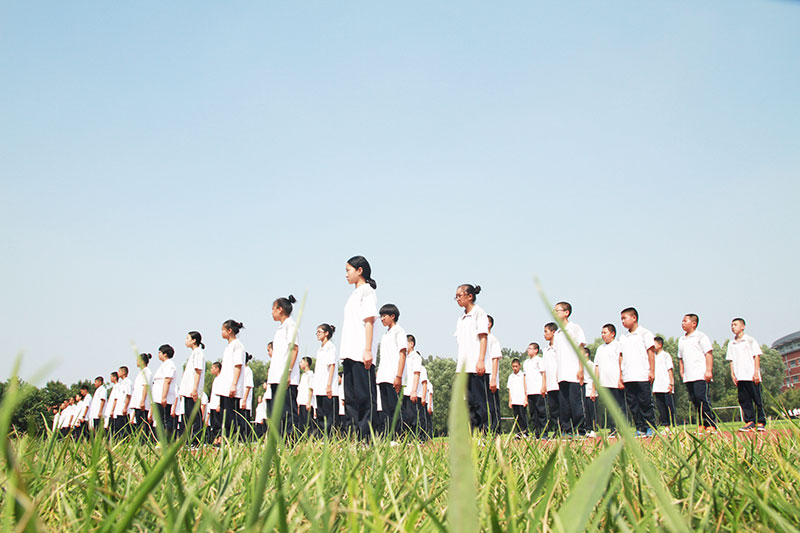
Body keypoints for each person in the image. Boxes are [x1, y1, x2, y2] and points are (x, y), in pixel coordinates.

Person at [340, 256, 379, 440]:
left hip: (360, 352)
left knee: (365, 397)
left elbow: (369, 321)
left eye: (349, 270)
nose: (346, 274)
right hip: (348, 353)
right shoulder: (353, 295)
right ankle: (353, 438)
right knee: (350, 398)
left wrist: (368, 349)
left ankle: (366, 438)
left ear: (360, 270)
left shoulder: (367, 292)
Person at [454, 284, 490, 432]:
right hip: (464, 366)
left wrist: (481, 360)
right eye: (455, 297)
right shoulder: (461, 318)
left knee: (480, 402)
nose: (457, 299)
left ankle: (485, 432)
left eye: (459, 295)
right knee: (468, 402)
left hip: (476, 364)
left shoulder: (479, 313)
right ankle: (472, 433)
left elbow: (483, 337)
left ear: (469, 296)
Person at [619, 307, 657, 437]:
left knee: (645, 402)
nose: (622, 321)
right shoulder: (623, 337)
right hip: (628, 376)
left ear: (634, 318)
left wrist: (652, 371)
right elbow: (621, 356)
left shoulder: (645, 333)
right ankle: (639, 427)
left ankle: (650, 427)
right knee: (633, 404)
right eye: (621, 319)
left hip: (642, 374)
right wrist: (620, 375)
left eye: (625, 318)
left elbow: (651, 353)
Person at [267, 295, 301, 437]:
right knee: (277, 411)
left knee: (288, 411)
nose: (272, 312)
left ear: (280, 309)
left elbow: (294, 349)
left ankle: (291, 440)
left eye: (273, 309)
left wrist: (288, 372)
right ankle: (279, 439)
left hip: (286, 377)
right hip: (276, 377)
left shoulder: (291, 326)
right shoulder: (280, 328)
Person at [678, 314, 717, 434]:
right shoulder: (681, 339)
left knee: (702, 398)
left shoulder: (701, 337)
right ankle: (701, 423)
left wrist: (709, 370)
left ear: (694, 323)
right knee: (695, 400)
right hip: (689, 376)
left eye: (685, 321)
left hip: (700, 374)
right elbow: (680, 357)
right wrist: (682, 372)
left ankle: (710, 423)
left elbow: (708, 354)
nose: (682, 323)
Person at [726, 318, 767, 432]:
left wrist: (756, 372)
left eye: (735, 325)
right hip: (740, 376)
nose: (733, 327)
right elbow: (731, 360)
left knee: (757, 399)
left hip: (751, 374)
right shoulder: (731, 344)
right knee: (744, 399)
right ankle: (750, 421)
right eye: (732, 325)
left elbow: (756, 356)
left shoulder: (750, 340)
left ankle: (761, 421)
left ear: (743, 326)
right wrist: (733, 374)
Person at [553, 302, 586, 437]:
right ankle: (567, 430)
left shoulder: (574, 328)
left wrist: (581, 368)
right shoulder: (558, 333)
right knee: (564, 405)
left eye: (557, 310)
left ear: (566, 313)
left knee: (576, 403)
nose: (555, 313)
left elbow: (581, 349)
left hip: (573, 372)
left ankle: (580, 430)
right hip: (562, 373)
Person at [376, 303, 407, 438]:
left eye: (384, 316)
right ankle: (388, 436)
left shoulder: (399, 332)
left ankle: (397, 436)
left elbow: (402, 353)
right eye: (381, 316)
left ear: (392, 316)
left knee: (395, 409)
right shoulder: (386, 334)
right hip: (383, 375)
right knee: (386, 409)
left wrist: (399, 376)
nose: (382, 319)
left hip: (393, 375)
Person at [593, 325, 625, 435]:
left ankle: (622, 428)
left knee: (619, 406)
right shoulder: (600, 349)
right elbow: (596, 366)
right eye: (602, 333)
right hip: (604, 383)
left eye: (605, 333)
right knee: (610, 408)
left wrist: (621, 378)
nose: (602, 335)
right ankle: (613, 429)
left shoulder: (618, 345)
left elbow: (621, 362)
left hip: (616, 382)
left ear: (612, 333)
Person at [219, 319, 246, 439]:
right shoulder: (229, 346)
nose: (221, 332)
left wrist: (234, 384)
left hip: (232, 386)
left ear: (229, 331)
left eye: (223, 330)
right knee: (225, 415)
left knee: (232, 415)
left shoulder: (237, 345)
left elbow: (238, 365)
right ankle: (226, 438)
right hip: (225, 386)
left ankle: (237, 438)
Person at [312, 324, 339, 436]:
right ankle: (322, 439)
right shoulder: (320, 349)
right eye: (317, 332)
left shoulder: (330, 347)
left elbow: (331, 366)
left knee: (330, 417)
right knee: (321, 416)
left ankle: (331, 439)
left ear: (326, 333)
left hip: (329, 388)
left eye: (320, 332)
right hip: (319, 387)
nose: (318, 334)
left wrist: (329, 385)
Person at [179, 331, 205, 446]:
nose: (186, 341)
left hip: (192, 390)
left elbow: (198, 371)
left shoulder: (198, 353)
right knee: (189, 416)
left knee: (195, 416)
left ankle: (196, 440)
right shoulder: (194, 353)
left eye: (187, 338)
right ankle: (189, 440)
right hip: (187, 390)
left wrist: (195, 389)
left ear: (194, 340)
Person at [150, 344, 177, 439]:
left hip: (164, 398)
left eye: (159, 352)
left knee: (164, 420)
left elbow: (167, 381)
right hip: (158, 397)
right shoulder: (164, 365)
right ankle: (160, 440)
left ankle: (166, 440)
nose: (158, 354)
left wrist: (164, 397)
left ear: (165, 354)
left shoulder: (169, 365)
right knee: (159, 420)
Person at [523, 343, 547, 438]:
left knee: (541, 412)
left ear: (536, 350)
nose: (528, 350)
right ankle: (537, 433)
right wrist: (525, 391)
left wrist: (543, 387)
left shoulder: (540, 360)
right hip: (530, 391)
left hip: (538, 390)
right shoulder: (526, 363)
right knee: (533, 414)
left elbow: (543, 374)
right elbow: (525, 377)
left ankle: (544, 433)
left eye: (530, 349)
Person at [652, 336, 676, 430]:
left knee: (669, 407)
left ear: (660, 344)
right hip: (657, 387)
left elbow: (670, 370)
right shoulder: (652, 357)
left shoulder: (665, 355)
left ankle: (673, 425)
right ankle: (666, 425)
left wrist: (671, 384)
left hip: (666, 386)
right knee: (661, 407)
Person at [402, 335, 423, 436]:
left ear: (411, 343)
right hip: (403, 391)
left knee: (412, 417)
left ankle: (416, 439)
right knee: (404, 418)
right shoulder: (404, 357)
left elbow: (416, 374)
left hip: (412, 391)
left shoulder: (416, 357)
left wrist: (414, 390)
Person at [542, 323, 560, 437]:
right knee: (553, 409)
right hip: (550, 383)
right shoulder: (546, 350)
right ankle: (557, 429)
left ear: (553, 332)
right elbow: (544, 369)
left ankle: (565, 428)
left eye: (546, 331)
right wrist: (544, 384)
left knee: (562, 407)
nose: (544, 334)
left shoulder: (559, 347)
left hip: (559, 382)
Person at [486, 316, 503, 433]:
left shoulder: (492, 340)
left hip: (490, 376)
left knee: (493, 406)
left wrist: (493, 379)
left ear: (489, 324)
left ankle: (496, 431)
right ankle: (484, 431)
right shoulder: (479, 341)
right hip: (480, 376)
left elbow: (495, 359)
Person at [130, 353, 153, 435]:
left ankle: (144, 443)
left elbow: (145, 386)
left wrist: (142, 400)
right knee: (139, 425)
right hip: (138, 403)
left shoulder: (147, 373)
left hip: (142, 403)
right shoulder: (141, 372)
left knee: (143, 426)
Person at [507, 358, 528, 436]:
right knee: (516, 417)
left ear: (519, 366)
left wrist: (526, 399)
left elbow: (525, 387)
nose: (515, 368)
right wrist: (510, 400)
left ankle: (525, 432)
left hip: (521, 400)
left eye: (516, 366)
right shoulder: (511, 377)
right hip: (514, 400)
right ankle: (519, 432)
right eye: (513, 366)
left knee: (523, 416)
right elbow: (509, 389)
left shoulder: (523, 375)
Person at [112, 366, 132, 438]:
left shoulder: (127, 382)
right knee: (119, 427)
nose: (118, 373)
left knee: (125, 428)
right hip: (119, 409)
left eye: (119, 371)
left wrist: (125, 407)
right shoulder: (122, 383)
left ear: (123, 372)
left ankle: (127, 441)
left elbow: (128, 395)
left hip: (123, 409)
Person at [582, 348, 597, 438]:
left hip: (590, 390)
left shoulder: (591, 365)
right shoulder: (580, 365)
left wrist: (593, 391)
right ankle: (587, 429)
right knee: (585, 412)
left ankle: (593, 429)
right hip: (583, 391)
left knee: (592, 412)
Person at [207, 361, 223, 444]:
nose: (211, 370)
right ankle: (215, 439)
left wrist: (220, 404)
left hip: (217, 404)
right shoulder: (216, 379)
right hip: (212, 404)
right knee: (214, 423)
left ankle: (219, 439)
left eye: (213, 368)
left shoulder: (221, 379)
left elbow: (221, 393)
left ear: (217, 368)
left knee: (218, 423)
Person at [297, 356, 314, 435]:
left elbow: (311, 388)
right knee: (301, 424)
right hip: (301, 402)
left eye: (302, 362)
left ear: (307, 363)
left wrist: (309, 402)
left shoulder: (310, 374)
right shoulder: (303, 375)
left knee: (308, 423)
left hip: (307, 402)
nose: (300, 364)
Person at [241, 353, 255, 439]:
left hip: (245, 401)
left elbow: (248, 386)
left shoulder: (248, 371)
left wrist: (244, 400)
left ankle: (246, 439)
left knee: (245, 422)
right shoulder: (242, 371)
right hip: (240, 399)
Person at [416, 365, 430, 440]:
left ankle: (423, 438)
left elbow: (424, 382)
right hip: (411, 395)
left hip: (419, 395)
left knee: (421, 418)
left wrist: (423, 397)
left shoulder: (422, 368)